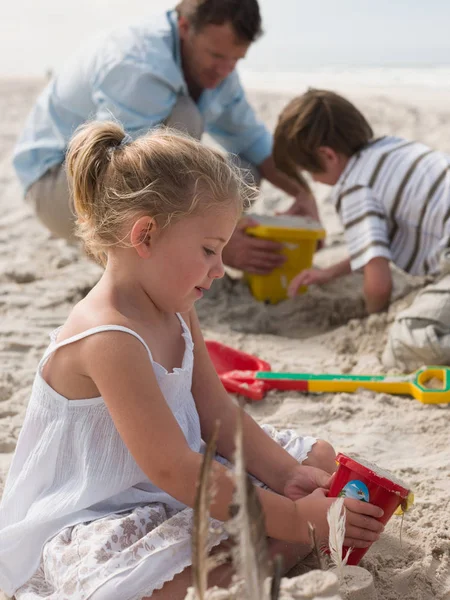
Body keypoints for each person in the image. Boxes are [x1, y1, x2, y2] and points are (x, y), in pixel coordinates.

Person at [0, 122, 383, 600]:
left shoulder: (177, 305)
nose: (220, 269)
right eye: (209, 250)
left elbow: (217, 414)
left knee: (319, 461)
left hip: (179, 478)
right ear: (145, 235)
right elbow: (174, 469)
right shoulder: (109, 337)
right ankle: (275, 545)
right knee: (190, 575)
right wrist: (291, 517)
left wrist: (286, 476)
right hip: (106, 507)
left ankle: (279, 537)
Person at [13, 0, 320, 276]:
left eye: (236, 60)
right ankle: (122, 255)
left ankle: (157, 251)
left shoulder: (219, 70)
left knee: (244, 173)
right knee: (184, 121)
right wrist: (219, 243)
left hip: (115, 178)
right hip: (60, 183)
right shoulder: (138, 61)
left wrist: (303, 194)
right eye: (216, 55)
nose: (226, 71)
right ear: (185, 27)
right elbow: (123, 169)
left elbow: (255, 143)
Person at [273, 88, 450, 371]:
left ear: (328, 156)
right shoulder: (390, 148)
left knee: (405, 344)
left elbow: (379, 284)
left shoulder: (354, 186)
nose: (316, 181)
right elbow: (381, 240)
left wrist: (375, 319)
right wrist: (331, 272)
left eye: (311, 172)